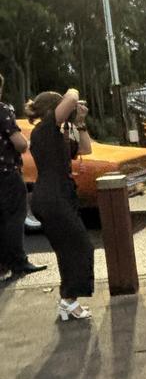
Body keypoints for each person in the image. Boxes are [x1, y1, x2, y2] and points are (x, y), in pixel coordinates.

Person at [25, 89, 94, 319]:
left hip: (59, 196)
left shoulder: (57, 134)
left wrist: (81, 122)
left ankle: (68, 300)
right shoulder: (43, 130)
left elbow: (85, 149)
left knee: (69, 250)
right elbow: (73, 97)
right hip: (52, 197)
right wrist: (71, 94)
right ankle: (68, 299)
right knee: (80, 246)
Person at [0, 73, 46, 280]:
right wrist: (26, 143)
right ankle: (19, 262)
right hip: (7, 173)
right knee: (15, 217)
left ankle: (2, 265)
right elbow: (19, 143)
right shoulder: (3, 111)